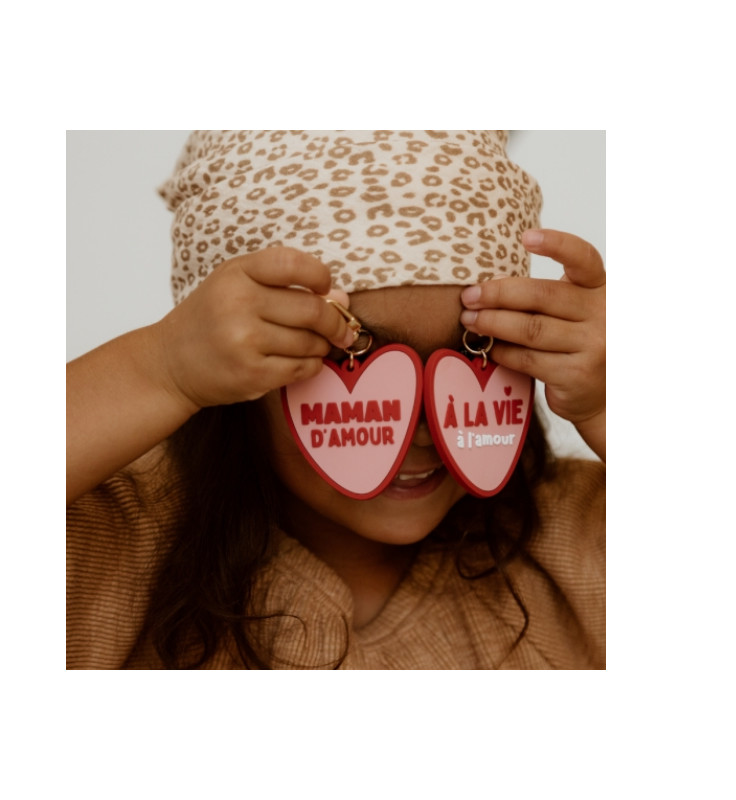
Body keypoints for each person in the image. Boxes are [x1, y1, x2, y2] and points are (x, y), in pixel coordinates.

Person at [67, 130, 605, 669]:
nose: (423, 427)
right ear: (223, 363)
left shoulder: (577, 536)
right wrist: (160, 369)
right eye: (353, 354)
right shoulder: (115, 544)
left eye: (473, 350)